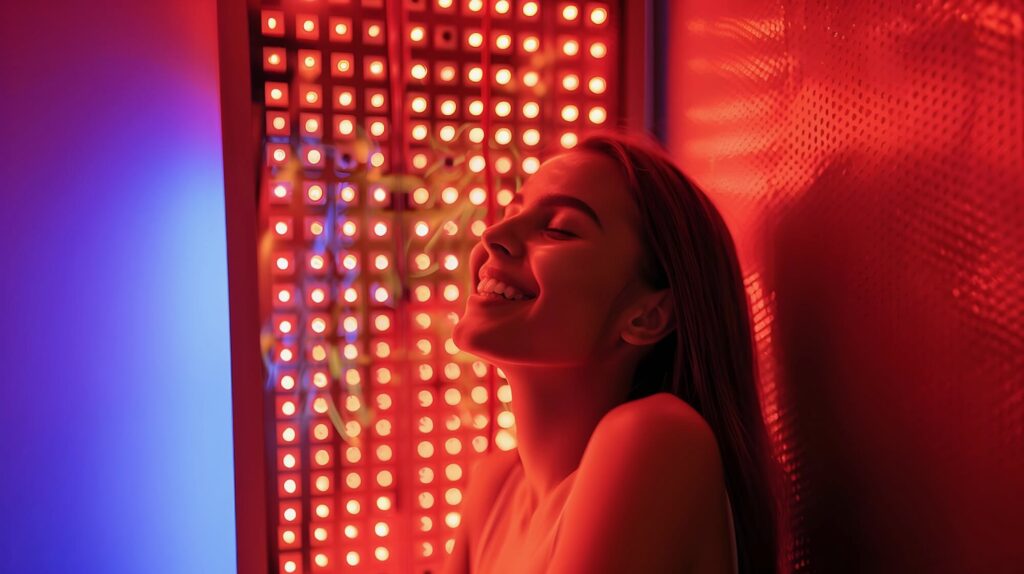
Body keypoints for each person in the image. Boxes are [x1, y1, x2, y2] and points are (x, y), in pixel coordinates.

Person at [442, 132, 782, 574]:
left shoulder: (657, 437)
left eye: (559, 229)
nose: (493, 235)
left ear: (648, 316)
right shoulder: (493, 488)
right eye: (511, 213)